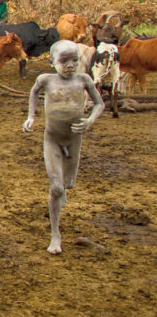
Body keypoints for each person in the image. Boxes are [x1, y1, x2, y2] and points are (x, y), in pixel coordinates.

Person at [22, 40, 104, 254]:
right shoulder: (45, 80)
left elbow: (99, 103)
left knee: (68, 185)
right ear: (51, 62)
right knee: (56, 187)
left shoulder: (83, 80)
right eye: (64, 61)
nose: (70, 66)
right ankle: (55, 234)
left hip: (74, 139)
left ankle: (62, 190)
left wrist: (89, 121)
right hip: (52, 139)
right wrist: (31, 117)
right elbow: (34, 92)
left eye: (74, 60)